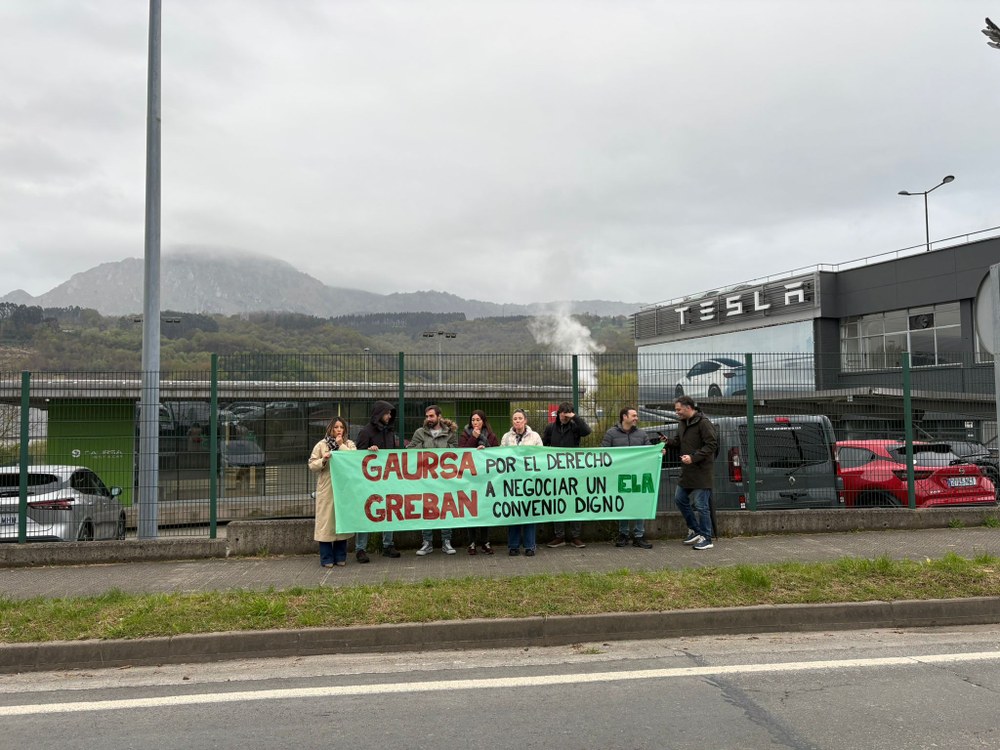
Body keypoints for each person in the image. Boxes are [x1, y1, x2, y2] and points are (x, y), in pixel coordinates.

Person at [665, 395, 718, 551]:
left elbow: (712, 445)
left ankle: (707, 538)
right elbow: (678, 442)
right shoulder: (682, 423)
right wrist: (667, 442)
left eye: (678, 410)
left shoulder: (704, 423)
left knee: (702, 506)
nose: (677, 413)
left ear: (688, 408)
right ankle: (695, 529)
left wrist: (694, 458)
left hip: (702, 472)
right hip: (687, 472)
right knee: (679, 499)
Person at [601, 406, 657, 549]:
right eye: (633, 415)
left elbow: (649, 450)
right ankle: (623, 534)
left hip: (638, 475)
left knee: (639, 504)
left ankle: (639, 536)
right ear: (624, 417)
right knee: (622, 503)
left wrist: (658, 451)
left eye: (636, 415)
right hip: (619, 476)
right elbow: (604, 453)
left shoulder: (642, 434)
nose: (636, 418)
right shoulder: (611, 433)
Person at [353, 400, 402, 561]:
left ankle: (388, 545)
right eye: (387, 413)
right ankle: (360, 548)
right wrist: (368, 452)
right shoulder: (365, 432)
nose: (389, 416)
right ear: (380, 414)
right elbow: (357, 457)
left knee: (388, 510)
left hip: (387, 480)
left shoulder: (390, 432)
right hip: (368, 482)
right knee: (365, 512)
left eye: (390, 414)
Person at [409, 405, 460, 555]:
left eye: (431, 416)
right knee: (426, 508)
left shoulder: (449, 433)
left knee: (446, 508)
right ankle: (427, 542)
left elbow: (457, 453)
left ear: (439, 416)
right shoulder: (420, 433)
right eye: (427, 416)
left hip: (445, 479)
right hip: (426, 479)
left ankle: (446, 541)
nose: (428, 419)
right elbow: (410, 451)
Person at [542, 401, 592, 549]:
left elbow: (587, 431)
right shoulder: (551, 428)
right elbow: (544, 446)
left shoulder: (576, 427)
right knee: (558, 501)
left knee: (575, 502)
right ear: (558, 413)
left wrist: (575, 418)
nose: (565, 417)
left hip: (574, 470)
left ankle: (576, 536)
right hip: (556, 471)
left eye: (567, 414)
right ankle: (559, 536)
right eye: (562, 413)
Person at [308, 416, 356, 567]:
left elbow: (354, 460)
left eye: (341, 427)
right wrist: (323, 460)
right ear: (330, 429)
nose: (339, 430)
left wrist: (341, 446)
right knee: (326, 523)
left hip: (343, 488)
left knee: (341, 521)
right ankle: (327, 558)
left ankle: (341, 556)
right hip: (327, 488)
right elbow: (312, 464)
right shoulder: (321, 445)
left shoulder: (349, 444)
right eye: (336, 427)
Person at [500, 408, 543, 556]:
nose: (517, 421)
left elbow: (541, 456)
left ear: (525, 420)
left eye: (520, 418)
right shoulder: (506, 437)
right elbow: (500, 456)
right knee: (513, 512)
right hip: (512, 482)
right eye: (515, 419)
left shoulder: (535, 436)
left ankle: (530, 546)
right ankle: (513, 546)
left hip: (529, 481)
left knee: (529, 512)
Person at [458, 409, 499, 555]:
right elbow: (461, 453)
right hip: (471, 479)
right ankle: (472, 542)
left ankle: (485, 542)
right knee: (472, 509)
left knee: (485, 510)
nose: (475, 422)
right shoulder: (465, 435)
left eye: (478, 420)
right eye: (473, 420)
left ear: (483, 421)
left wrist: (485, 450)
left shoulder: (491, 436)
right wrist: (474, 440)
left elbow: (497, 454)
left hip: (486, 479)